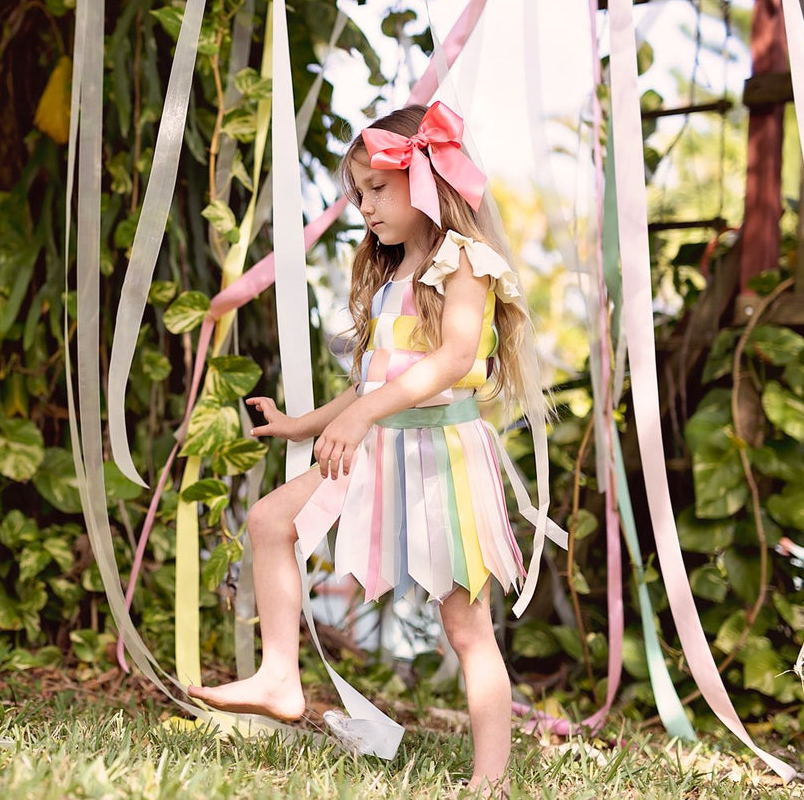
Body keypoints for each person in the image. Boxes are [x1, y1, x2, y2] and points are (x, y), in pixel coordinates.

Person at [188, 102, 550, 790]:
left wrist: (358, 420)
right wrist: (304, 424)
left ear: (426, 179)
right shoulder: (388, 274)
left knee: (465, 624)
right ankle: (279, 676)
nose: (364, 206)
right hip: (379, 447)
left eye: (377, 188)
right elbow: (373, 381)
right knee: (268, 521)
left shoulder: (465, 261)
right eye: (357, 193)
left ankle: (491, 780)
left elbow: (451, 361)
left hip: (442, 458)